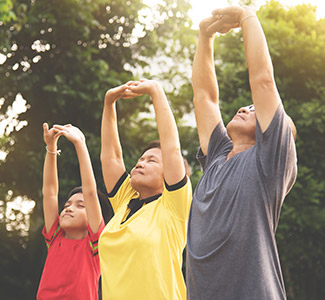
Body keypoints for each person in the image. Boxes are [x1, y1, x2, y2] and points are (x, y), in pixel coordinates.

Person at [186, 6, 297, 300]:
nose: (246, 107)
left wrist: (247, 15)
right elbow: (204, 97)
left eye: (254, 108)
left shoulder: (268, 162)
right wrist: (204, 36)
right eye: (245, 106)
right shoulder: (217, 157)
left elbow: (262, 80)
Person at [98, 79, 192, 300]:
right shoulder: (125, 202)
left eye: (151, 161)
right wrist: (109, 103)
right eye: (140, 159)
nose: (140, 163)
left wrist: (155, 91)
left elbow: (171, 147)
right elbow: (111, 156)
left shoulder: (173, 207)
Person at [37, 123, 113, 300]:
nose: (69, 208)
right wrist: (50, 148)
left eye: (81, 205)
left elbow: (90, 192)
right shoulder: (55, 237)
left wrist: (80, 144)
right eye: (67, 205)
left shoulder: (95, 246)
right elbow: (49, 192)